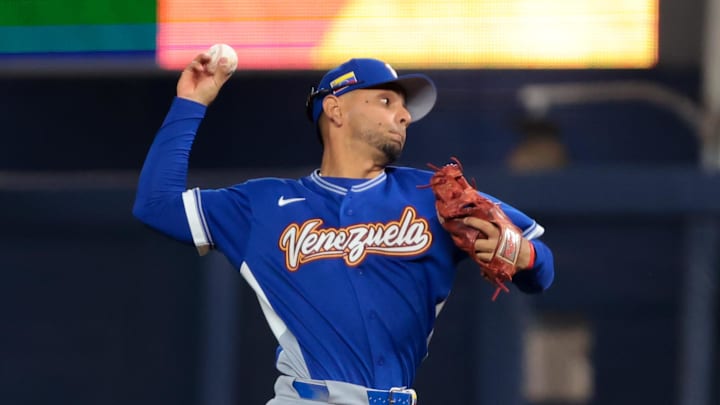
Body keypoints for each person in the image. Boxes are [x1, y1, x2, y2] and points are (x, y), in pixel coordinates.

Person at [133, 53, 555, 405]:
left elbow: (542, 267)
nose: (405, 115)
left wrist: (525, 255)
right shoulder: (261, 205)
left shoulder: (433, 195)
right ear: (335, 108)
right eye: (387, 101)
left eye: (404, 108)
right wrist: (191, 102)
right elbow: (156, 206)